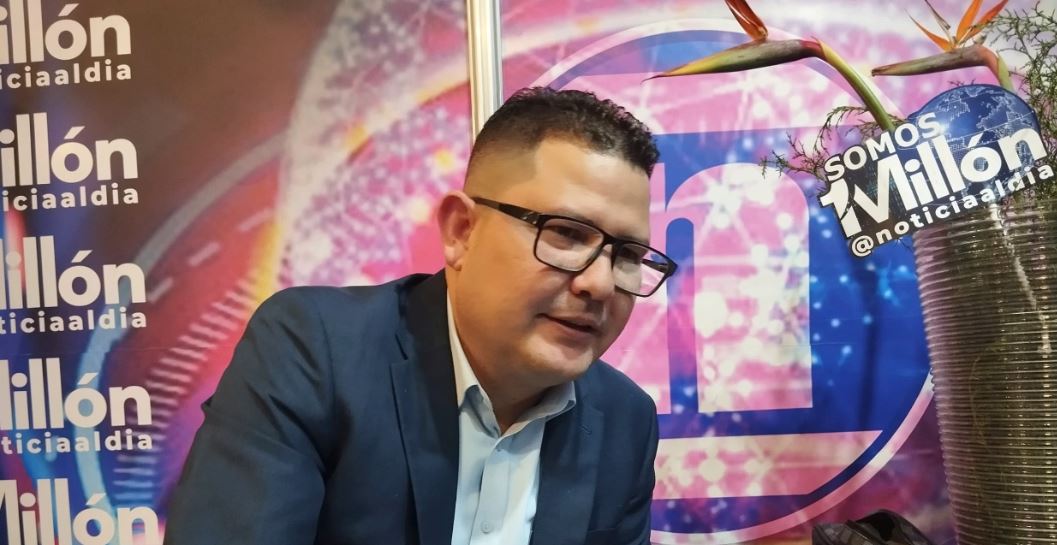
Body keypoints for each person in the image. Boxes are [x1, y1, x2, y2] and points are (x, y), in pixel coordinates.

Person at [164, 87, 677, 545]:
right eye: (565, 233)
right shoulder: (316, 351)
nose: (599, 284)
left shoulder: (625, 420)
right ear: (461, 232)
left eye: (628, 255)